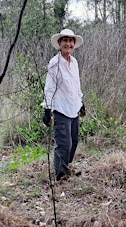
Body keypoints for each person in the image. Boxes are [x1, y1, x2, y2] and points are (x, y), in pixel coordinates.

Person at [41, 28, 86, 181]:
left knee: (74, 140)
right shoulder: (54, 63)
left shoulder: (74, 62)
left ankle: (66, 166)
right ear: (59, 43)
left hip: (73, 106)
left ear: (74, 44)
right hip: (60, 108)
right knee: (63, 142)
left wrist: (81, 102)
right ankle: (60, 174)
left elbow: (76, 85)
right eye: (65, 41)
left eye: (70, 41)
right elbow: (49, 87)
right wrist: (47, 109)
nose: (68, 43)